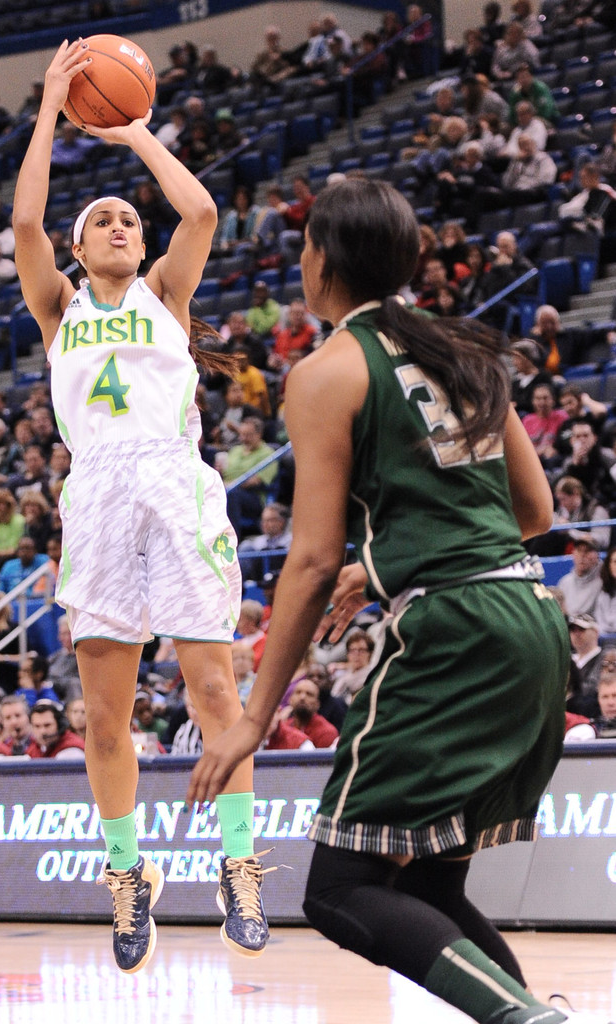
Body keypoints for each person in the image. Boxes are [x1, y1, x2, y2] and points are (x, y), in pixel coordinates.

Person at [187, 178, 578, 1024]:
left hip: (455, 633)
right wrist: (395, 557)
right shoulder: (465, 349)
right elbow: (535, 513)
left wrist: (254, 716)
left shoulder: (326, 370)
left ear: (320, 261)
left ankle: (530, 1022)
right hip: (528, 617)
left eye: (302, 248)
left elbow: (314, 558)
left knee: (339, 889)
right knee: (428, 885)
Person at [11, 39, 271, 974]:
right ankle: (130, 876)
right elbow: (28, 221)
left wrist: (133, 135)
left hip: (173, 477)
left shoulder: (166, 290)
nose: (121, 223)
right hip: (96, 495)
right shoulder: (58, 307)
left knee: (212, 687)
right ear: (80, 251)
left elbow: (197, 208)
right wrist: (50, 108)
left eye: (127, 217)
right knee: (103, 716)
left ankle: (237, 860)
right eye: (105, 221)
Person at [557, 535, 604, 617]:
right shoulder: (565, 582)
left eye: (587, 551)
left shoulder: (605, 582)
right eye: (579, 550)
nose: (582, 555)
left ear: (597, 555)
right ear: (573, 553)